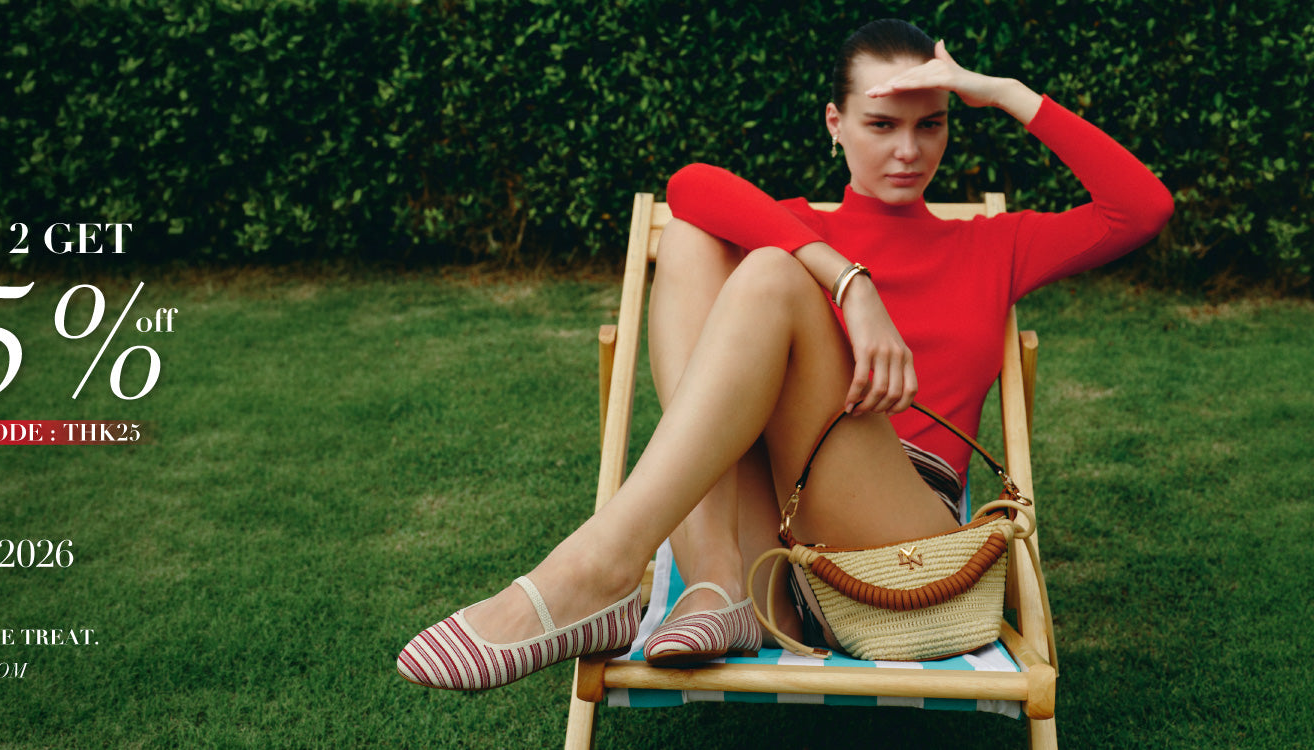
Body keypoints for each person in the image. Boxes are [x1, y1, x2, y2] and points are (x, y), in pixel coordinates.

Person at [397, 18, 1171, 690]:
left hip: (898, 561)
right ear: (835, 123)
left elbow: (1141, 208)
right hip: (771, 559)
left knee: (770, 272)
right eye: (880, 125)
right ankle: (712, 585)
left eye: (930, 125)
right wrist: (848, 282)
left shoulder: (993, 246)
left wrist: (1001, 91)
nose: (907, 150)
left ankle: (597, 568)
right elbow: (690, 186)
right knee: (699, 240)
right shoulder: (799, 231)